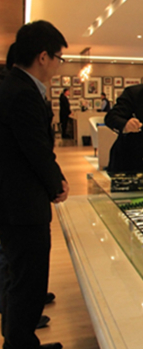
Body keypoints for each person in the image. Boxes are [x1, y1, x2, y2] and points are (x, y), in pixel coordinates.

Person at [0, 20, 68, 349]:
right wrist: (57, 184)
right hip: (22, 205)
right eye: (58, 58)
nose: (58, 65)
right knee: (27, 279)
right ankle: (20, 343)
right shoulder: (23, 93)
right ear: (43, 57)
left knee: (18, 276)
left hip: (14, 202)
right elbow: (36, 150)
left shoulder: (12, 86)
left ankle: (19, 339)